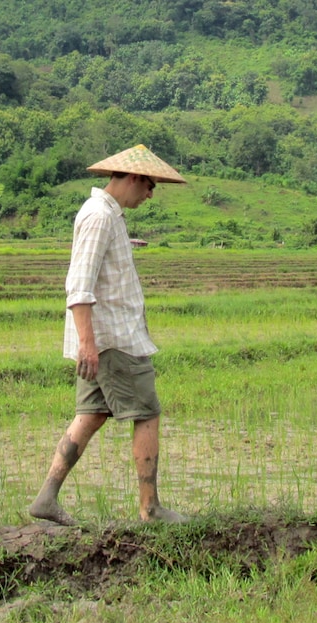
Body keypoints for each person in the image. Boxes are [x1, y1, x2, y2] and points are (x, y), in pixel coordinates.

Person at [30, 145, 189, 526]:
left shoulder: (109, 216)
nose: (150, 194)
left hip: (105, 340)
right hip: (113, 341)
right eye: (150, 185)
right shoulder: (100, 216)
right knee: (147, 413)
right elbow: (79, 285)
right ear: (133, 178)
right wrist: (88, 343)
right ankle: (150, 508)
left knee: (90, 414)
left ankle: (46, 498)